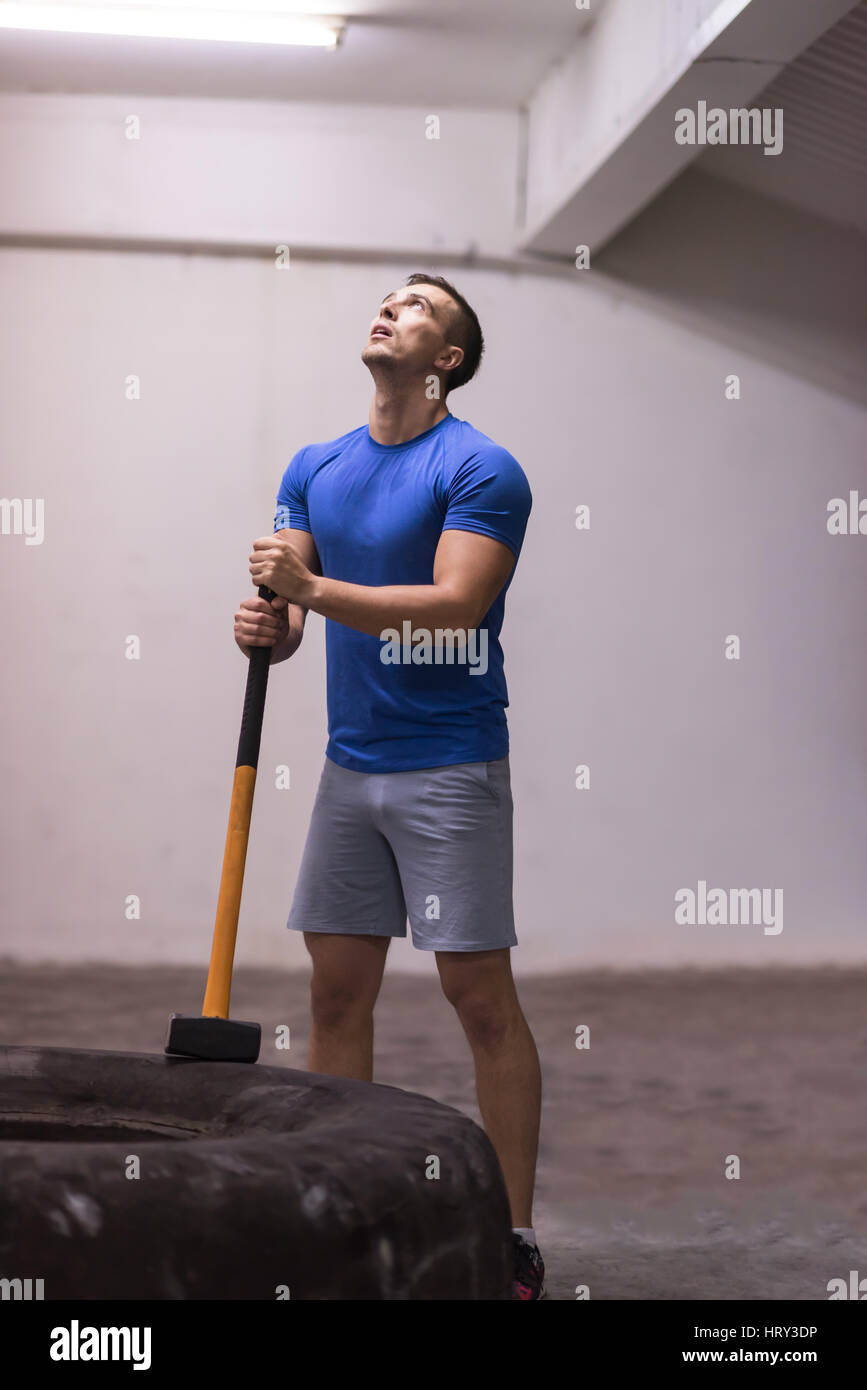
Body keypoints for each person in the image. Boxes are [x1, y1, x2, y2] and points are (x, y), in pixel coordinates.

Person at [236, 273, 545, 1300]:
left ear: (447, 358)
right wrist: (270, 631)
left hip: (451, 765)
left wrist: (310, 594)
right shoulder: (314, 465)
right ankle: (346, 1214)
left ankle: (511, 1235)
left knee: (477, 996)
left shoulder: (482, 467)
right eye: (388, 300)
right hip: (348, 767)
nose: (390, 310)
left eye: (417, 308)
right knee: (334, 993)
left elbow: (453, 607)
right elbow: (288, 620)